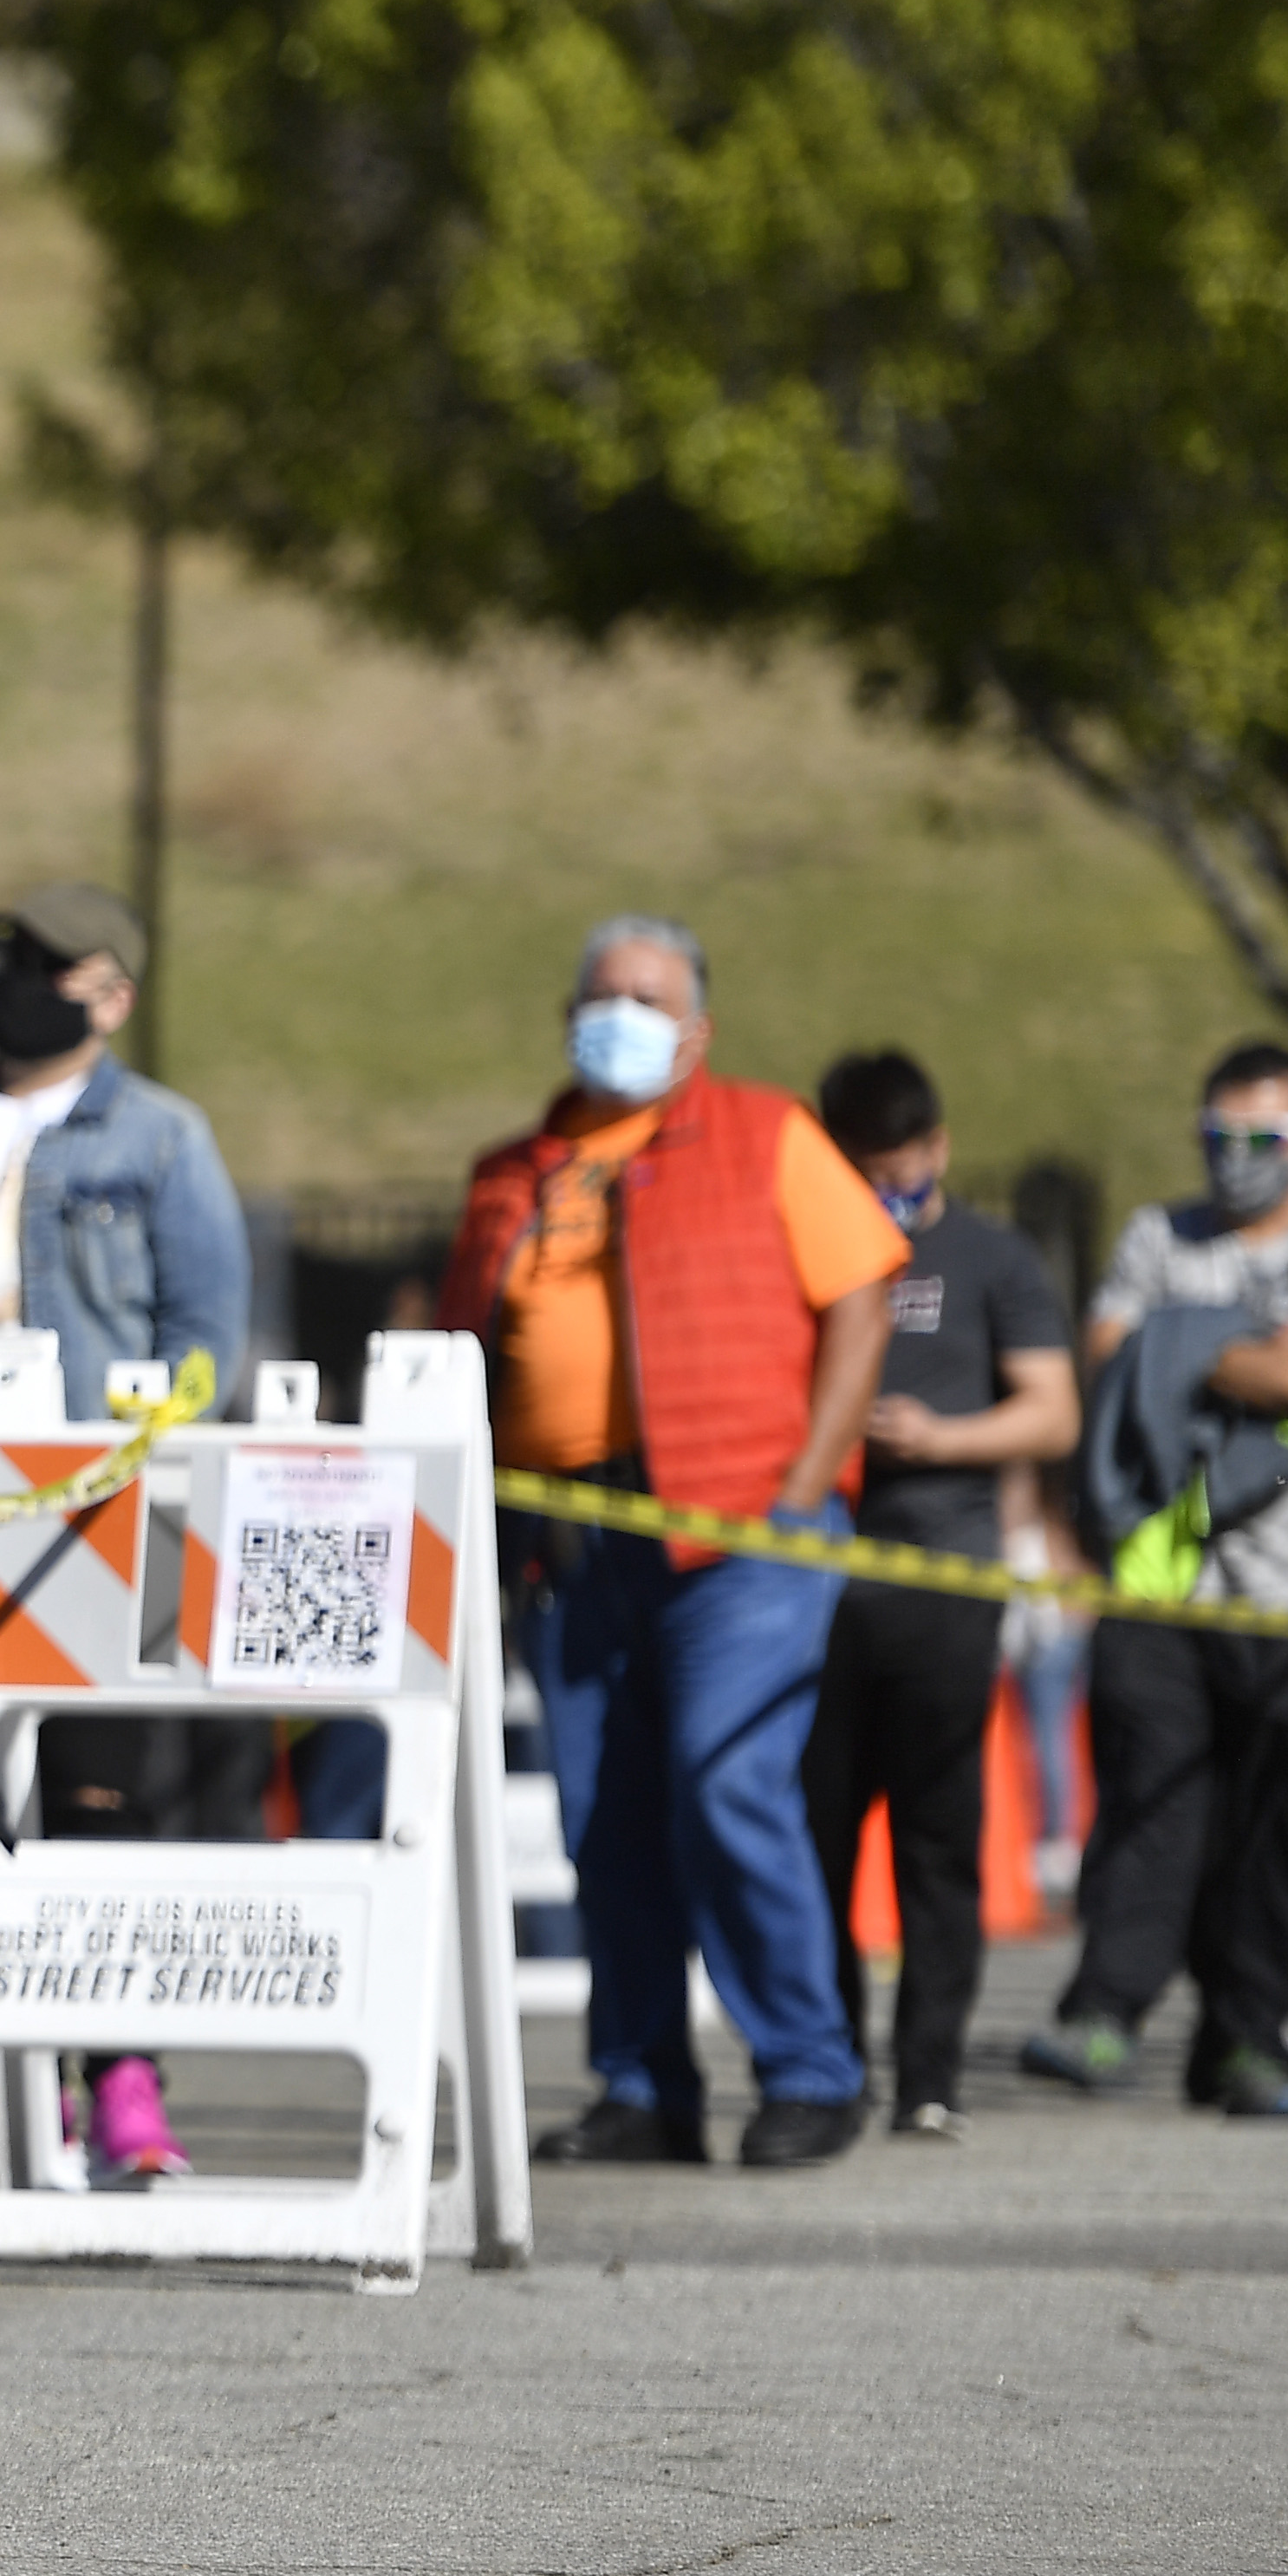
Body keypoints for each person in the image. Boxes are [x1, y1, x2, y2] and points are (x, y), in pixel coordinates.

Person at [446, 917, 898, 2171]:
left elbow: (862, 1294)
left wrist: (810, 1475)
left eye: (649, 999)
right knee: (604, 1814)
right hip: (574, 1539)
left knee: (726, 1780)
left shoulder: (766, 1134)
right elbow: (457, 1354)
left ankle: (809, 2068)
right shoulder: (511, 1171)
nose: (622, 1016)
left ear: (697, 1029)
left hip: (743, 1529)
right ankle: (644, 2084)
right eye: (603, 995)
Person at [0, 881, 246, 2188]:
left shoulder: (163, 1138)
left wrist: (142, 1447)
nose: (16, 977)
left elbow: (206, 1336)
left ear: (112, 991)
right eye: (4, 954)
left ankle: (120, 2078)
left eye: (45, 960)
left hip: (94, 1509)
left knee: (97, 1794)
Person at [1020, 1044, 1288, 2118]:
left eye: (1263, 1142)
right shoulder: (1154, 1234)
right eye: (1218, 1139)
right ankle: (1107, 2007)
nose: (1237, 1163)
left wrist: (1173, 1344)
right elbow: (1105, 1354)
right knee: (1152, 1785)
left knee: (1281, 1820)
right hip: (1162, 1571)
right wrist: (1241, 1348)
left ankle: (1256, 2038)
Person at [801, 1052, 1073, 2139]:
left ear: (940, 1149)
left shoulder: (991, 1258)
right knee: (814, 1836)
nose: (886, 1193)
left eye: (901, 1170)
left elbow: (1052, 1413)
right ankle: (828, 2066)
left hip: (947, 1584)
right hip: (822, 1590)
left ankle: (928, 2073)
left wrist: (942, 1437)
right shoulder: (811, 1247)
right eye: (863, 1172)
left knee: (938, 1838)